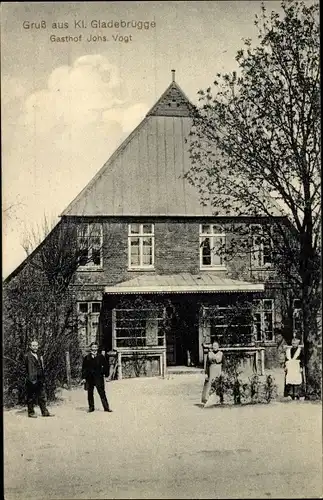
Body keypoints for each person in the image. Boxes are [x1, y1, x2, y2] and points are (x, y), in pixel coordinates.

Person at [25, 339, 53, 418]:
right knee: (30, 397)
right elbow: (30, 369)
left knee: (42, 396)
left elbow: (41, 367)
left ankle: (44, 412)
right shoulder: (28, 356)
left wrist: (42, 377)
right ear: (30, 347)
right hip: (32, 379)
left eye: (36, 345)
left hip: (40, 379)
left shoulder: (39, 355)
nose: (35, 347)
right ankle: (31, 413)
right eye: (33, 346)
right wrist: (32, 380)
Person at [81, 342, 112, 413]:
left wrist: (106, 375)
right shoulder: (87, 357)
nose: (94, 348)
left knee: (102, 392)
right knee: (90, 393)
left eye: (95, 347)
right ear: (90, 348)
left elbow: (106, 366)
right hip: (90, 378)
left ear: (97, 348)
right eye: (93, 347)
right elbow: (84, 368)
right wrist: (84, 377)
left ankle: (106, 408)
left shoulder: (101, 357)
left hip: (99, 377)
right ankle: (91, 408)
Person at [201, 341, 224, 405]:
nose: (215, 347)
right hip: (211, 370)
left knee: (219, 384)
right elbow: (207, 364)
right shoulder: (209, 354)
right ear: (212, 347)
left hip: (219, 369)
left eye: (216, 346)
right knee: (210, 384)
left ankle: (220, 399)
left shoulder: (221, 353)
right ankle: (208, 399)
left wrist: (222, 371)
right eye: (214, 346)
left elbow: (224, 363)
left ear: (218, 347)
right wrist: (206, 373)